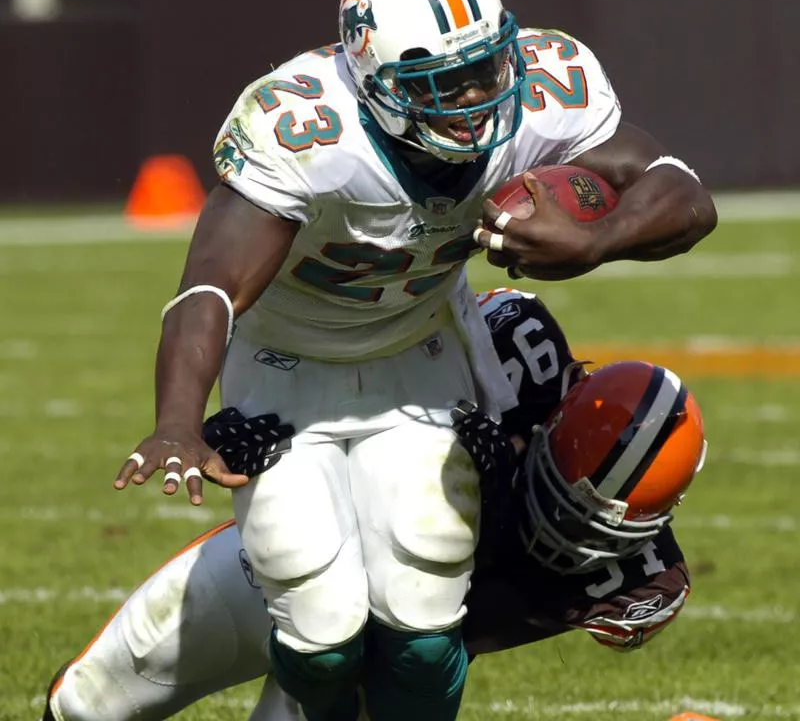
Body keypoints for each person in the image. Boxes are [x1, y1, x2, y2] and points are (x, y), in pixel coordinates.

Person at [111, 0, 716, 721]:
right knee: (320, 628)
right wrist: (175, 421)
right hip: (290, 364)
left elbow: (682, 192)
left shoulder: (538, 88)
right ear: (374, 82)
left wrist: (597, 239)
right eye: (443, 83)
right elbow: (210, 287)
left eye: (486, 69)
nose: (475, 98)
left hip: (421, 350)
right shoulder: (308, 127)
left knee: (426, 622)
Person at [50, 288, 707, 721]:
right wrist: (268, 421)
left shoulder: (644, 581)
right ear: (554, 416)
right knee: (86, 703)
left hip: (395, 653)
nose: (563, 534)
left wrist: (497, 495)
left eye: (587, 525)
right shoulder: (513, 352)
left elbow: (446, 643)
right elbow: (366, 370)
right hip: (317, 546)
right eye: (559, 498)